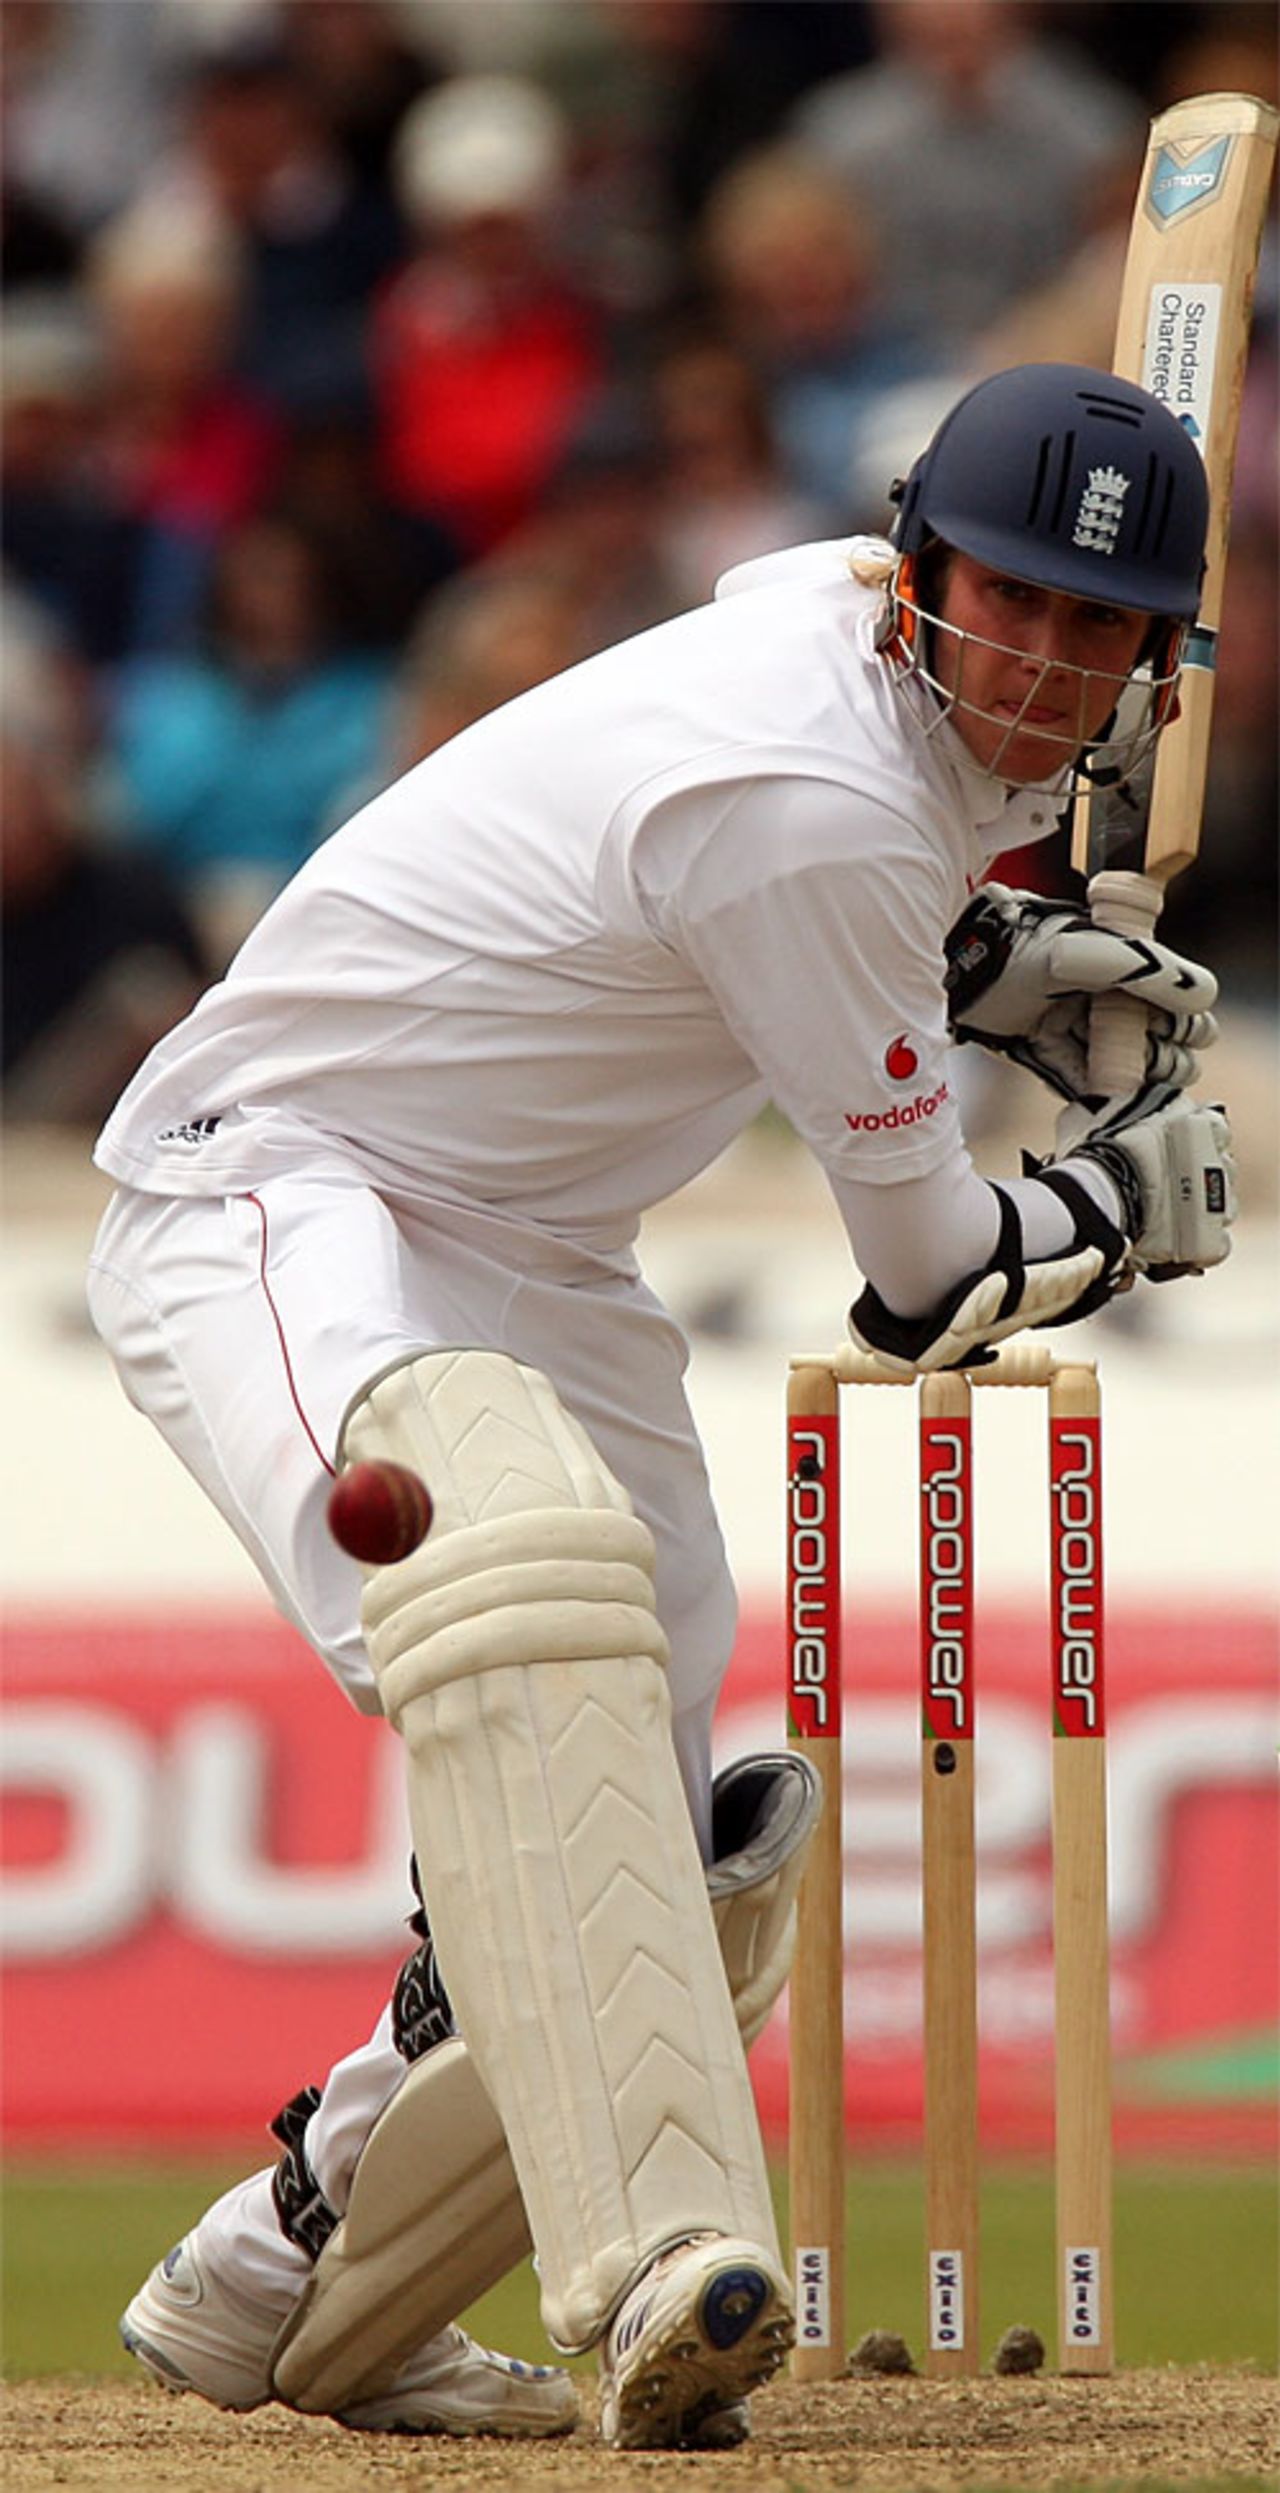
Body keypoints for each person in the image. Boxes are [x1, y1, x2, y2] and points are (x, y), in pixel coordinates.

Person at [86, 362, 1235, 2452]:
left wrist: (981, 953)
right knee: (522, 1617)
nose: (1043, 663)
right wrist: (1123, 1204)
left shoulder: (825, 638)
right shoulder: (809, 798)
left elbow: (743, 884)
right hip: (282, 1190)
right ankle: (655, 2265)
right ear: (916, 571)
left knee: (646, 1800)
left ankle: (291, 2264)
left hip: (541, 1250)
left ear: (1164, 654)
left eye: (1099, 626)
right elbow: (926, 1281)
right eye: (1008, 600)